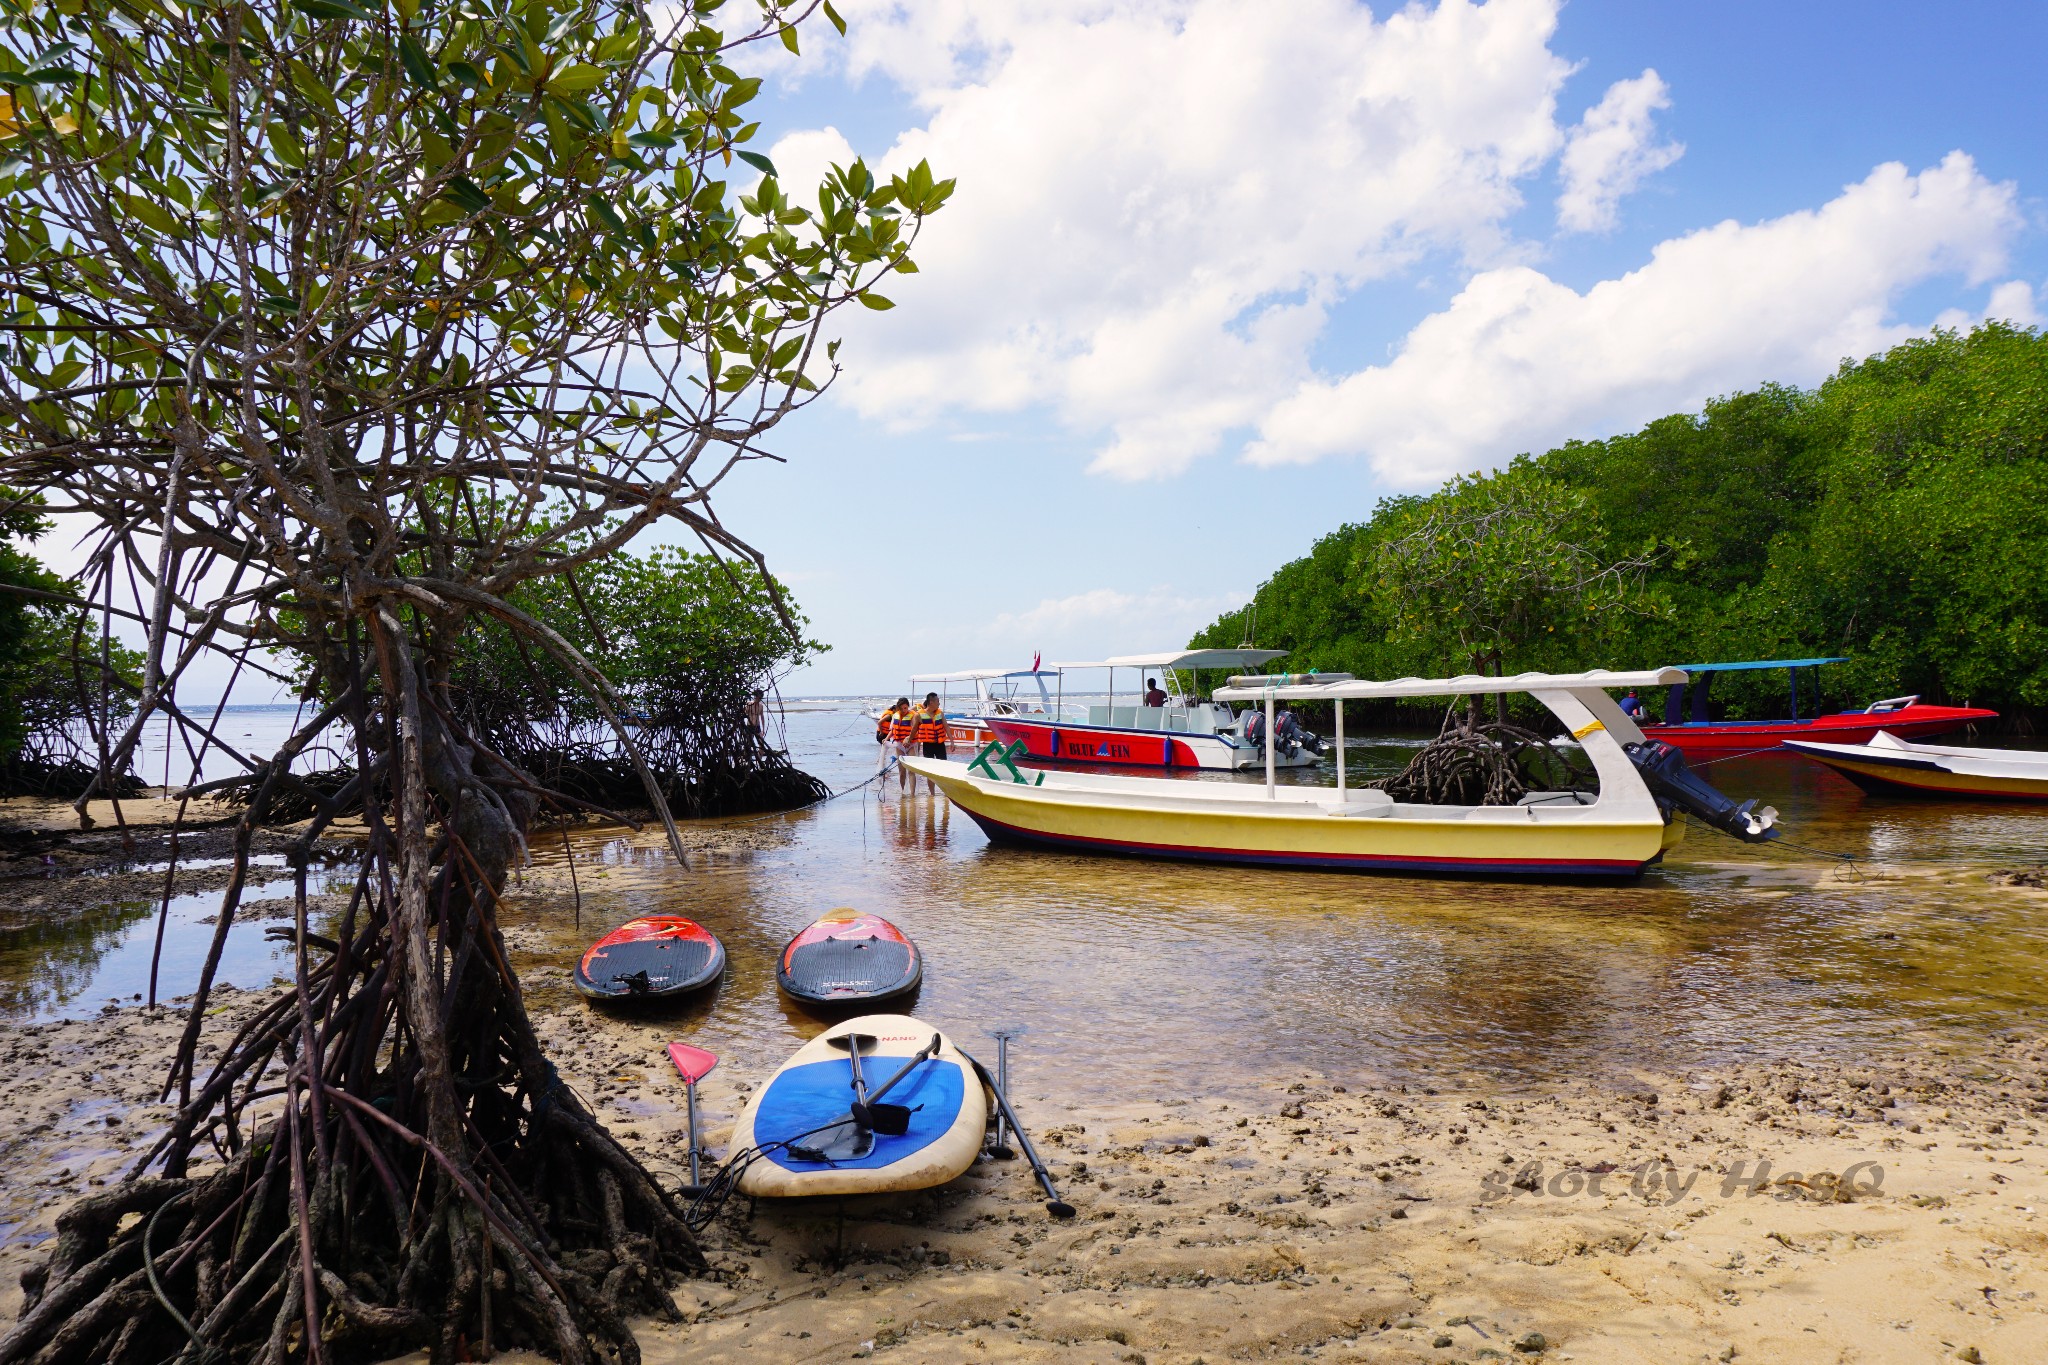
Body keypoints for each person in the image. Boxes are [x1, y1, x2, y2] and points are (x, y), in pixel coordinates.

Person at [911, 691, 948, 791]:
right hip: (928, 745)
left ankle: (946, 792)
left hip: (940, 744)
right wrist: (909, 740)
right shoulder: (919, 715)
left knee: (944, 769)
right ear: (931, 702)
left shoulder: (940, 713)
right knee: (930, 771)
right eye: (937, 701)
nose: (939, 703)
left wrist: (952, 741)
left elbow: (946, 726)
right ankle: (932, 793)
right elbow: (914, 729)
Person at [878, 696, 915, 788]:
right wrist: (886, 739)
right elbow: (893, 730)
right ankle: (903, 792)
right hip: (899, 746)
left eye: (905, 708)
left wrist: (909, 738)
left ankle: (912, 794)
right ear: (898, 708)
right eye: (901, 708)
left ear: (908, 707)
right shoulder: (895, 716)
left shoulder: (913, 716)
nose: (904, 710)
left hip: (910, 745)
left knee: (911, 771)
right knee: (902, 772)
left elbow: (915, 729)